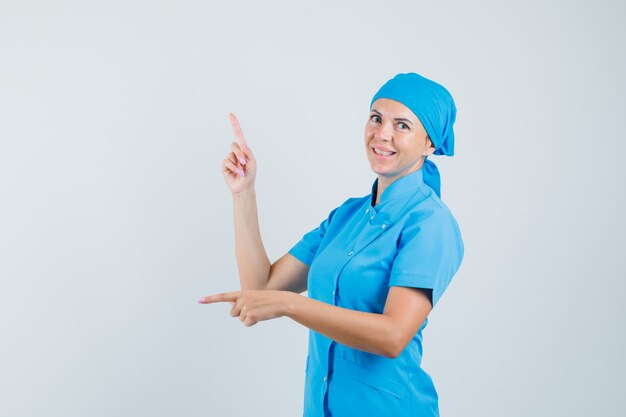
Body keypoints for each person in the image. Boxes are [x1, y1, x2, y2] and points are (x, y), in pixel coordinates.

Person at [199, 72, 464, 417]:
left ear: (430, 144)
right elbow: (261, 287)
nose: (382, 134)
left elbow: (393, 336)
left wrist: (289, 306)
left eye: (402, 126)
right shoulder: (346, 217)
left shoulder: (429, 223)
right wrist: (243, 193)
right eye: (376, 118)